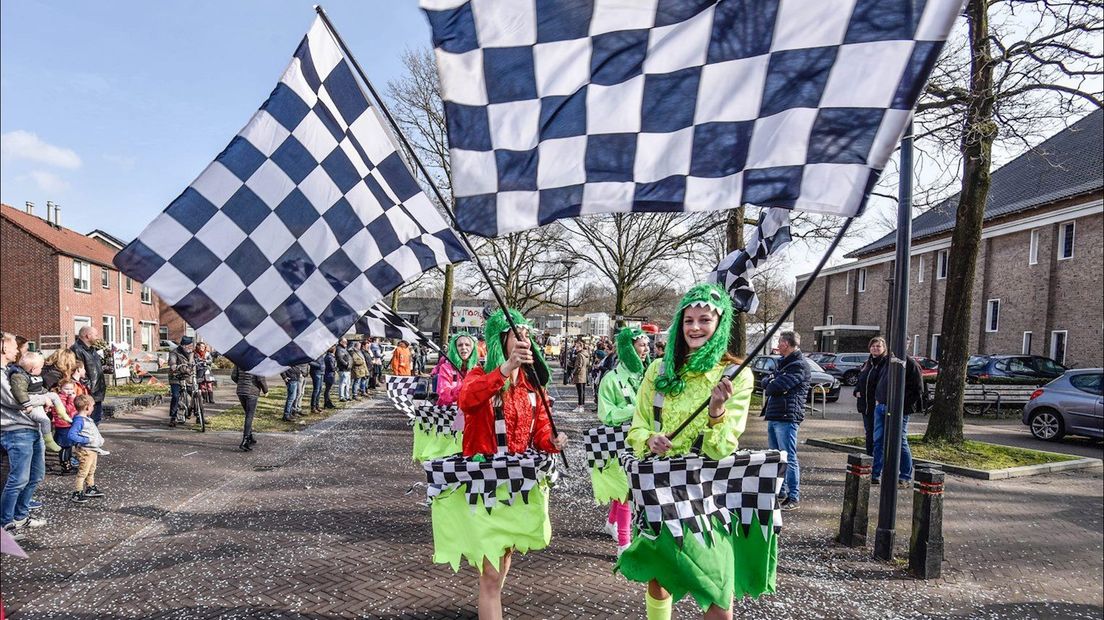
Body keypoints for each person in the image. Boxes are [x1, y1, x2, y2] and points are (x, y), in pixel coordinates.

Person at [617, 283, 761, 620]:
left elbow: (723, 447)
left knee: (718, 595)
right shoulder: (657, 370)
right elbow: (635, 430)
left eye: (704, 320)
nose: (695, 328)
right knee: (658, 578)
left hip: (706, 498)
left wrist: (716, 411)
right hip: (656, 490)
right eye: (688, 320)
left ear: (719, 324)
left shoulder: (736, 375)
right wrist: (649, 439)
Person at [429, 309, 567, 620]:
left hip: (516, 488)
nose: (524, 340)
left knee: (504, 558)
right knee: (490, 575)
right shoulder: (480, 376)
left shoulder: (533, 386)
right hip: (485, 488)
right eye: (516, 334)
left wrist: (552, 441)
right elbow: (468, 400)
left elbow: (541, 428)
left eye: (527, 334)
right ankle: (489, 601)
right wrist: (504, 370)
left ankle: (489, 600)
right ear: (500, 340)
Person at [592, 327, 650, 555]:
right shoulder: (611, 379)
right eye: (641, 345)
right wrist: (635, 410)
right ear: (629, 348)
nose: (645, 350)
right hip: (618, 443)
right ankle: (624, 545)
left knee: (625, 489)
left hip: (642, 443)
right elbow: (606, 414)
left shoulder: (649, 376)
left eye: (646, 345)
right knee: (626, 491)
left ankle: (611, 523)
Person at [2, 332, 50, 540]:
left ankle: (20, 516)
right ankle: (5, 524)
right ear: (3, 348)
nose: (18, 350)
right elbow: (15, 401)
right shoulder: (2, 374)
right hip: (16, 431)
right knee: (17, 480)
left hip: (32, 428)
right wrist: (47, 397)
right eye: (14, 347)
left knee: (35, 476)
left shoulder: (12, 370)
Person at [761, 331, 810, 511]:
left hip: (787, 416)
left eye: (780, 341)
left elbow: (776, 386)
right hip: (775, 414)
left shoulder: (798, 365)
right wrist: (771, 381)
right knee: (776, 456)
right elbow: (766, 381)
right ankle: (779, 491)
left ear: (787, 344)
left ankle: (793, 495)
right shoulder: (784, 364)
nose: (778, 344)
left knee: (788, 456)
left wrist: (772, 382)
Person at [415, 333, 476, 462]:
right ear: (455, 348)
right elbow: (444, 396)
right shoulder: (446, 368)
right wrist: (465, 387)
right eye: (460, 345)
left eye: (467, 344)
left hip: (472, 424)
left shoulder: (478, 369)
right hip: (450, 425)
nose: (464, 348)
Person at [870, 340, 923, 487]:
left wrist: (900, 406)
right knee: (878, 441)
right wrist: (878, 399)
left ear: (907, 344)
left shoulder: (910, 364)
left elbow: (918, 390)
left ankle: (905, 475)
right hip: (881, 407)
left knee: (900, 441)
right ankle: (875, 473)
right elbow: (880, 380)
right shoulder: (887, 361)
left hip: (899, 410)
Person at [7, 352, 64, 455]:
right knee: (45, 420)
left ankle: (62, 413)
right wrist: (27, 404)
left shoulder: (33, 375)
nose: (42, 370)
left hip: (38, 397)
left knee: (54, 396)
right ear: (33, 369)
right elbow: (19, 392)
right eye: (40, 368)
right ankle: (49, 441)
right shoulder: (19, 376)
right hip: (31, 404)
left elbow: (39, 388)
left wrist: (46, 394)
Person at [67, 394, 108, 504]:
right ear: (87, 407)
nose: (94, 408)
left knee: (91, 470)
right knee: (83, 472)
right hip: (86, 450)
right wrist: (86, 440)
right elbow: (71, 435)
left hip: (92, 450)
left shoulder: (87, 419)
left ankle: (90, 487)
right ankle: (77, 492)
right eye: (93, 406)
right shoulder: (80, 421)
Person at [854, 337, 890, 458]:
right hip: (865, 405)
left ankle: (878, 461)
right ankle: (869, 458)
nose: (875, 348)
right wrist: (857, 391)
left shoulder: (885, 364)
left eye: (878, 346)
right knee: (869, 433)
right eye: (873, 346)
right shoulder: (867, 363)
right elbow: (861, 380)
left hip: (878, 405)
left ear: (884, 348)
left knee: (878, 435)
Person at [70, 326, 107, 425]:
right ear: (88, 335)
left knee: (96, 420)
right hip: (89, 393)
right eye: (95, 335)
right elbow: (78, 370)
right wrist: (89, 388)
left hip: (97, 392)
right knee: (88, 422)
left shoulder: (92, 349)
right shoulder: (76, 350)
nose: (97, 337)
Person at [232, 364, 268, 451]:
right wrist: (265, 390)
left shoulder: (239, 361)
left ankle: (250, 437)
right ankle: (245, 441)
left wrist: (241, 383)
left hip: (241, 391)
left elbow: (233, 376)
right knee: (249, 415)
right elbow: (260, 378)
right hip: (252, 391)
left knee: (247, 413)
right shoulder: (257, 362)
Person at [167, 336, 196, 426]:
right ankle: (173, 417)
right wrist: (173, 365)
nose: (190, 348)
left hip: (188, 377)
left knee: (195, 394)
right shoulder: (174, 352)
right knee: (176, 396)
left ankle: (199, 415)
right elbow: (172, 361)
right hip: (176, 376)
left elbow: (196, 362)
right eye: (188, 346)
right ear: (183, 346)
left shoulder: (192, 353)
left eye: (191, 346)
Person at [570, 339, 591, 413]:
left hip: (579, 375)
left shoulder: (579, 354)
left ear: (581, 347)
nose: (576, 348)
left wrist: (574, 372)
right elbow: (588, 364)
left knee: (580, 391)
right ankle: (581, 406)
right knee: (582, 391)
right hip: (584, 374)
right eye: (576, 347)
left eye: (578, 347)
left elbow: (579, 366)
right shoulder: (586, 354)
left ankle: (580, 406)